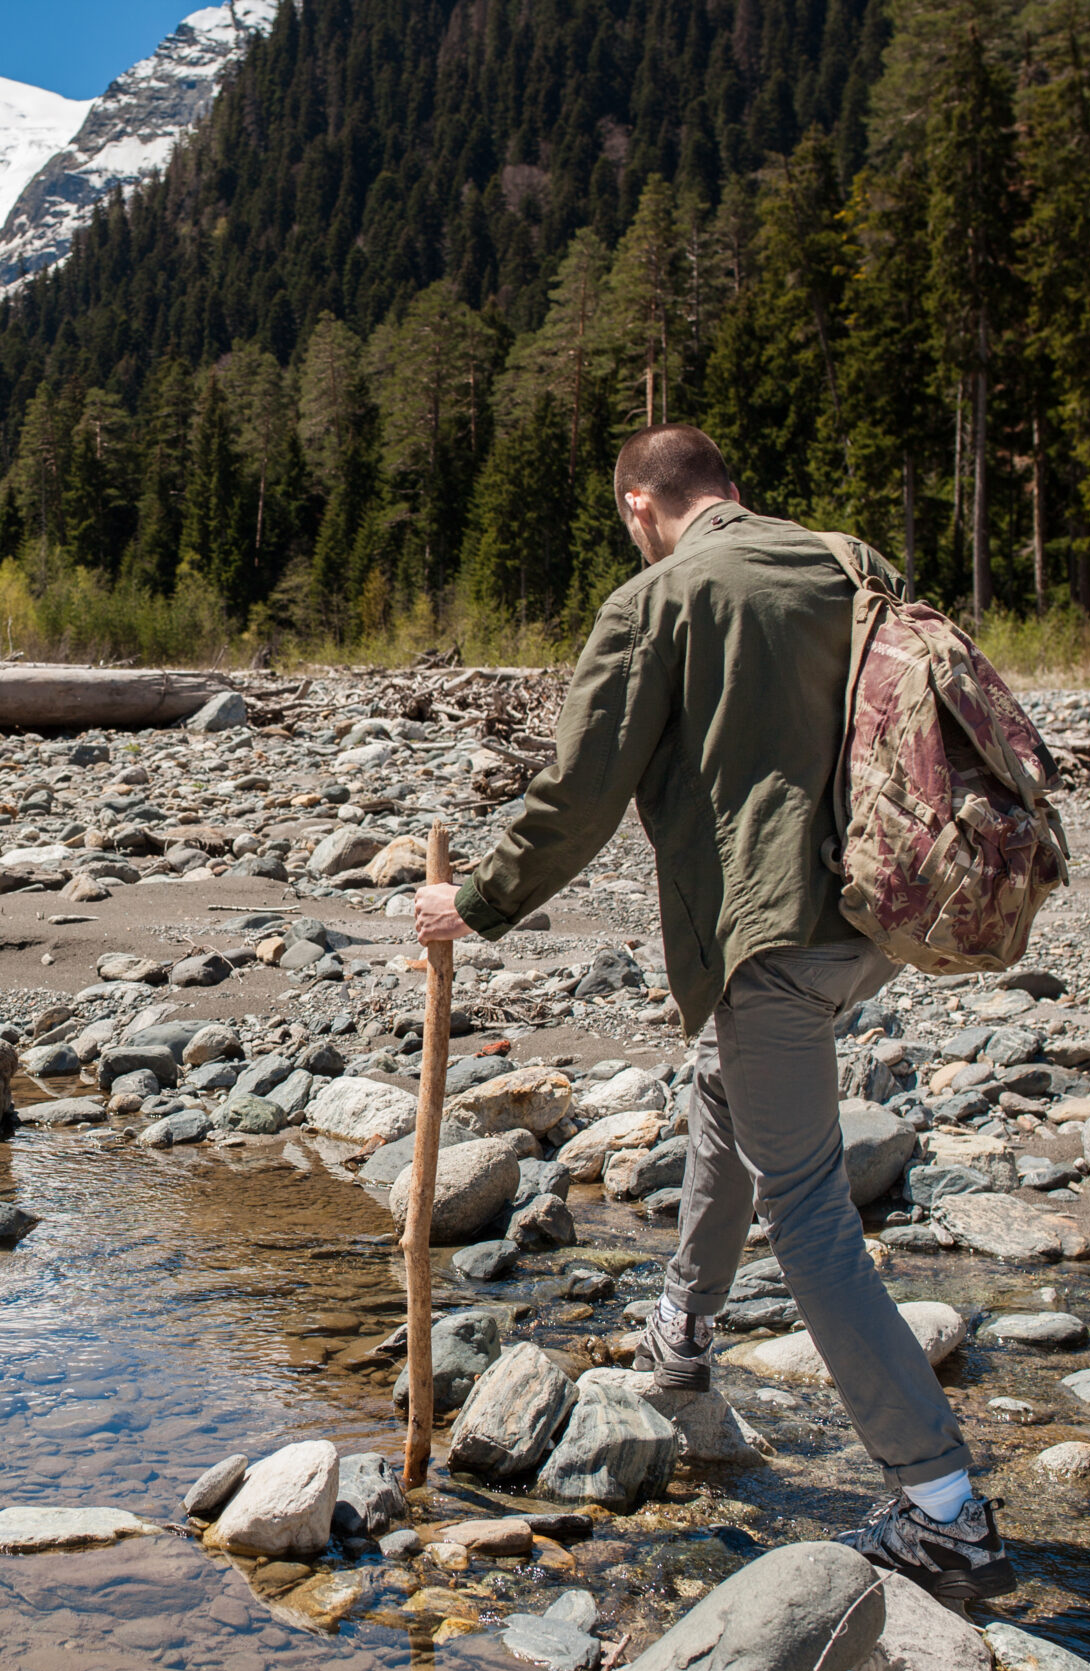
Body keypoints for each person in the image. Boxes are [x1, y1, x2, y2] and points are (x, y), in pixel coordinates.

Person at [411, 424, 1014, 1603]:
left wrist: (472, 903)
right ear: (731, 489)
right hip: (880, 918)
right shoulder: (845, 561)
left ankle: (944, 1509)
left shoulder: (657, 600)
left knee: (809, 1214)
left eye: (626, 517)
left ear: (640, 504)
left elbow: (581, 789)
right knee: (724, 1086)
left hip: (770, 936)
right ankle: (679, 1343)